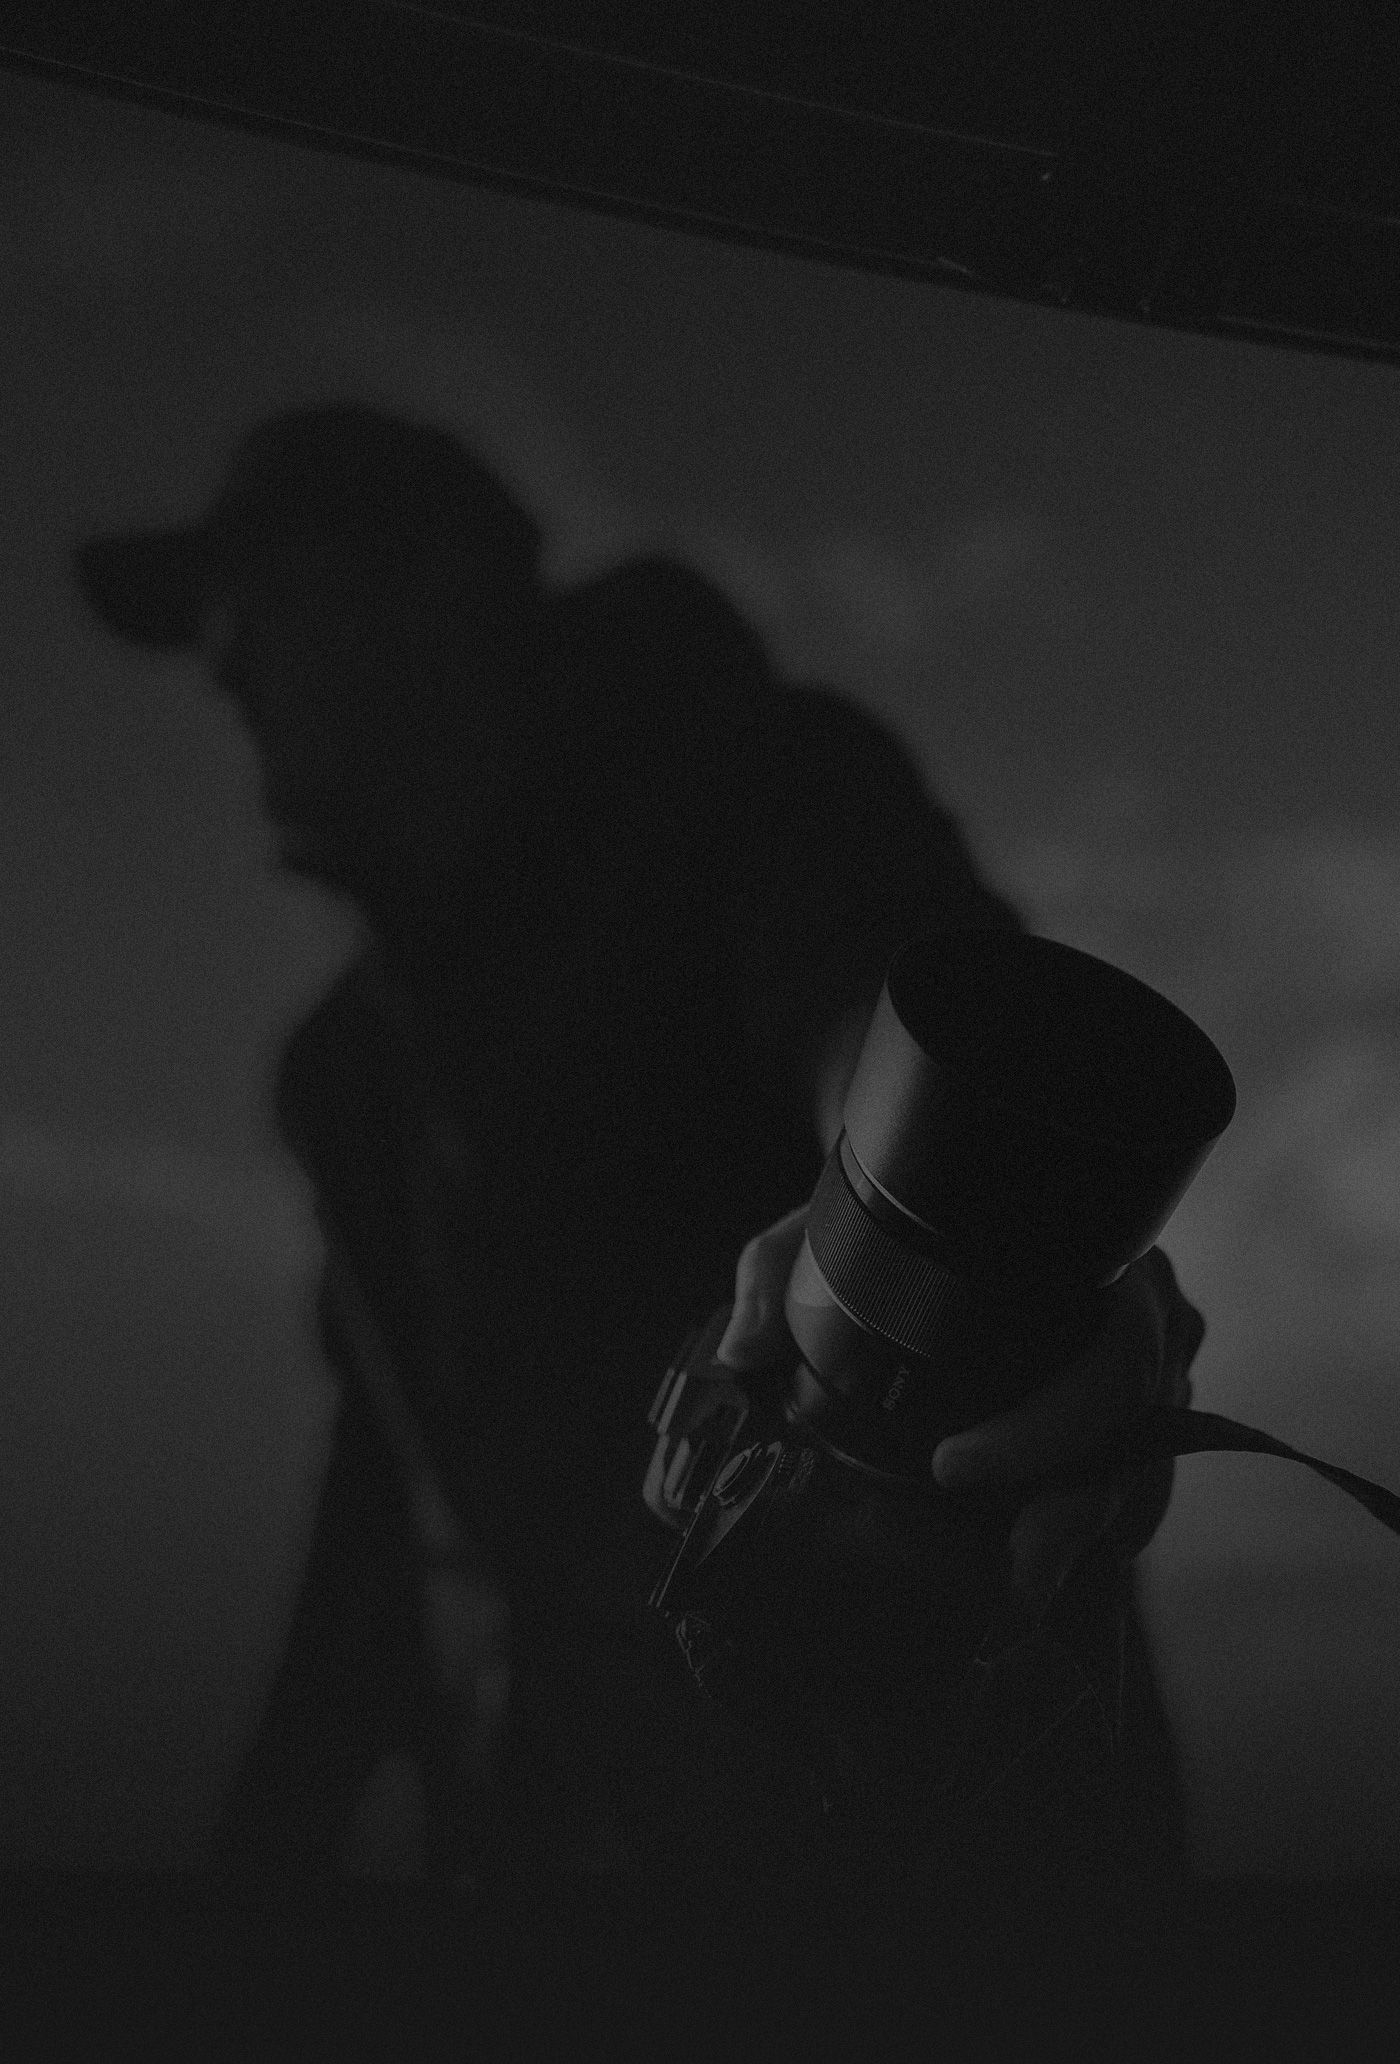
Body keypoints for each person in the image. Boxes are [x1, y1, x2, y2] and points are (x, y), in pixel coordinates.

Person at [73, 399, 1202, 1907]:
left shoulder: (764, 793)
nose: (220, 663)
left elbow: (872, 1004)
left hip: (934, 1875)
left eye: (264, 595)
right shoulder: (342, 1077)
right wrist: (259, 1876)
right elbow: (389, 1488)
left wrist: (961, 1221)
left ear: (442, 589)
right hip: (562, 1888)